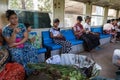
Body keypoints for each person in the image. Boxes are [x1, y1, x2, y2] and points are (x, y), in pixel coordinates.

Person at [2, 10, 38, 75]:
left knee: (33, 49)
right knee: (17, 55)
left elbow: (26, 37)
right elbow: (10, 42)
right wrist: (14, 33)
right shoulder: (5, 29)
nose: (15, 20)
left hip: (21, 43)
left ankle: (33, 69)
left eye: (16, 17)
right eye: (12, 18)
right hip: (12, 47)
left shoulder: (21, 25)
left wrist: (17, 43)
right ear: (8, 19)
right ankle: (25, 73)